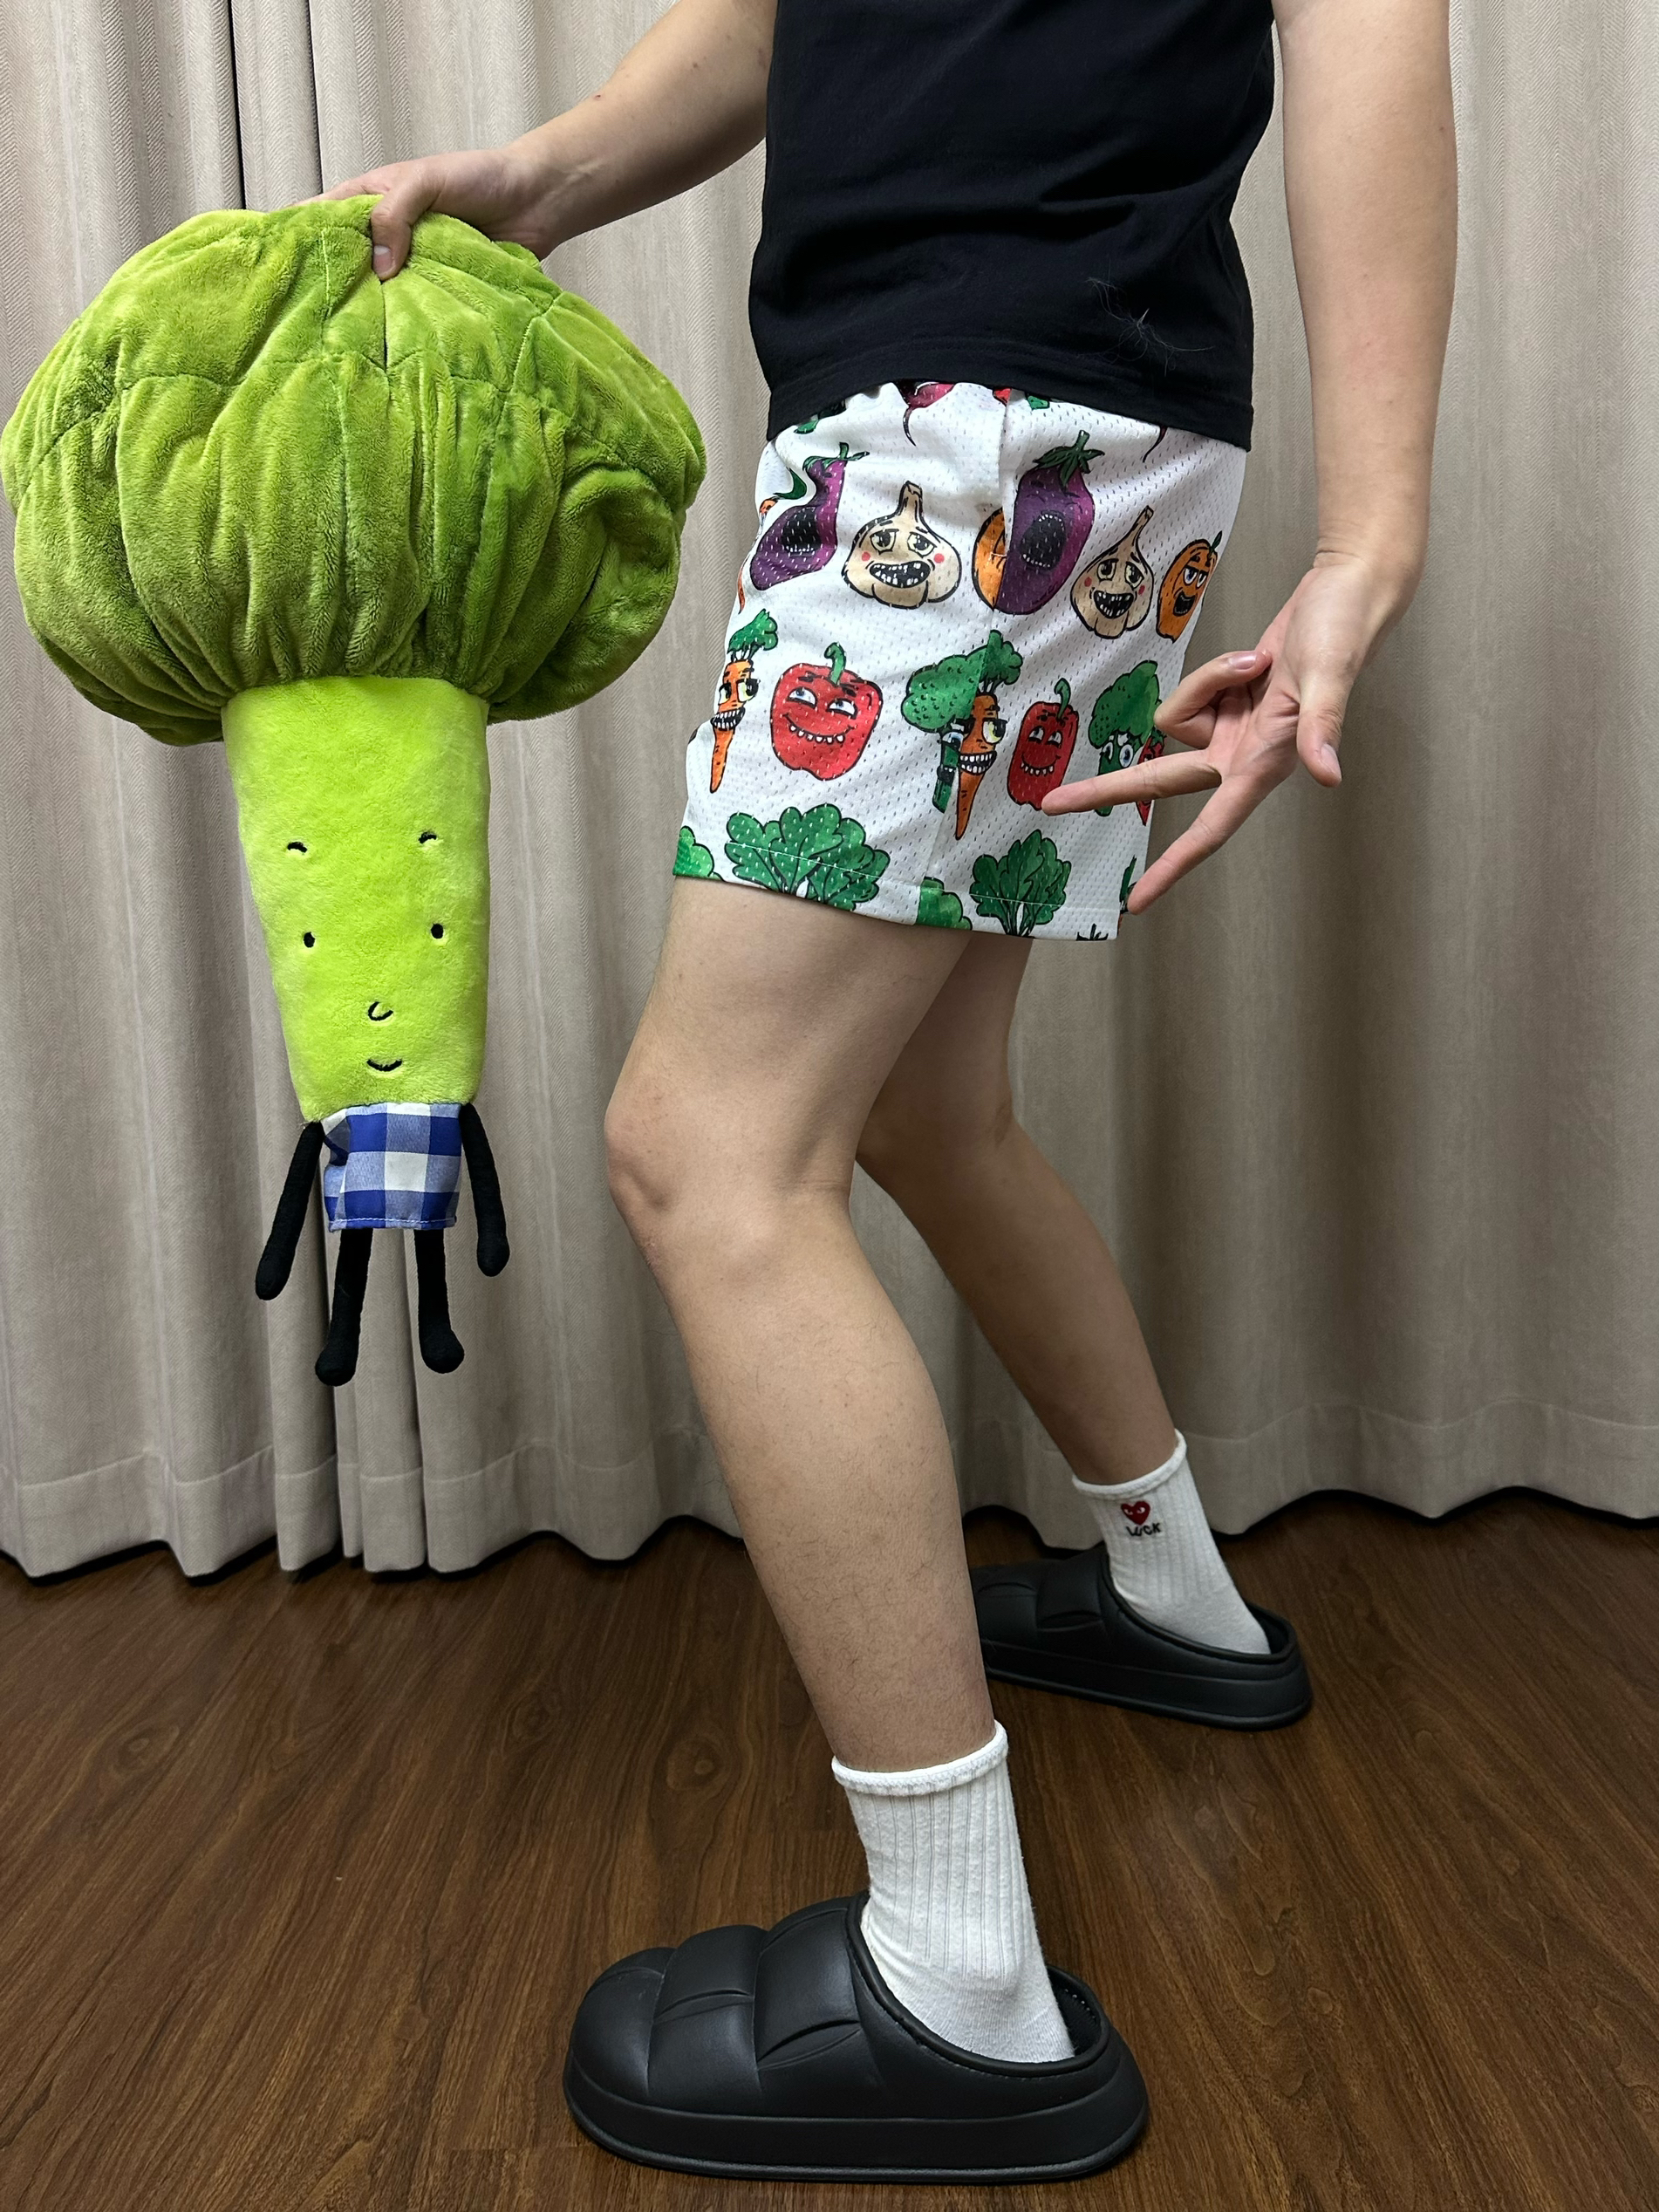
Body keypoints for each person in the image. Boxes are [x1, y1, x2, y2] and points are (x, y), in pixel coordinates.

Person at [324, 0, 1455, 2181]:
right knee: (931, 1108)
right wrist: (533, 180)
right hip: (1019, 424)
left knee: (708, 1153)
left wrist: (1378, 531)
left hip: (981, 435)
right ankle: (1175, 1594)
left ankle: (961, 1981)